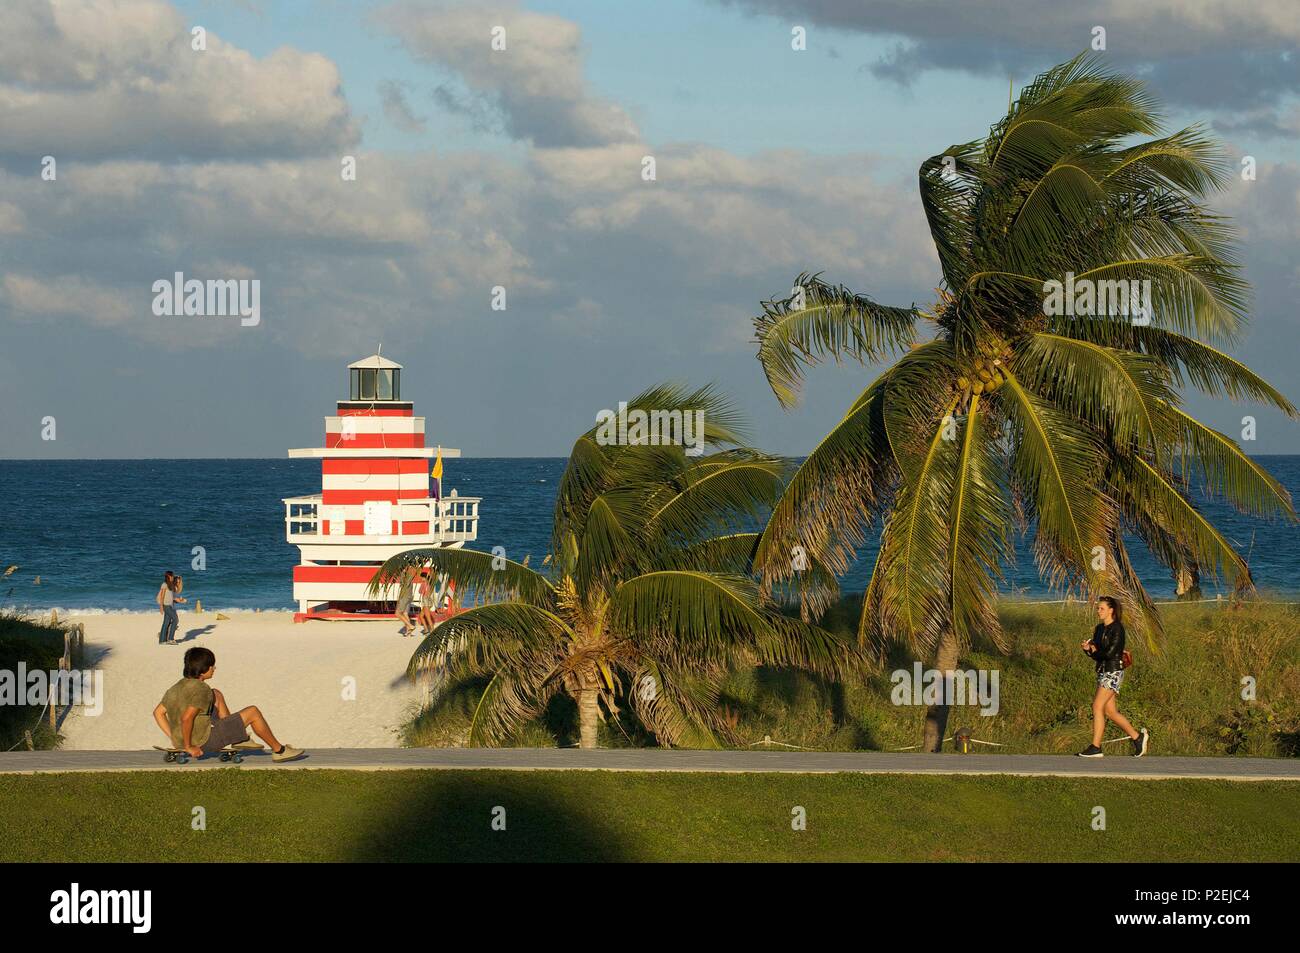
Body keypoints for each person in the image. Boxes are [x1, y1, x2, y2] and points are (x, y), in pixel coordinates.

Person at [152, 646, 304, 763]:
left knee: (216, 694)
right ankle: (279, 750)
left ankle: (239, 739)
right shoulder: (201, 689)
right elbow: (187, 718)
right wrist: (188, 746)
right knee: (253, 711)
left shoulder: (176, 687)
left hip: (187, 738)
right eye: (212, 666)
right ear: (204, 670)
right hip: (204, 741)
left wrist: (174, 737)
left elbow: (157, 713)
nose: (214, 669)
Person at [1077, 596, 1149, 758]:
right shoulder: (1099, 629)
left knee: (1097, 706)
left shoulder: (1117, 629)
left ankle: (1096, 747)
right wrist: (1088, 649)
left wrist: (1095, 650)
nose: (1098, 611)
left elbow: (1111, 653)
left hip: (1114, 671)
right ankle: (1138, 737)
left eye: (1101, 608)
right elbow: (1097, 655)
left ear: (1111, 610)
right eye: (1098, 608)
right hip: (1102, 670)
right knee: (1110, 712)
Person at [156, 571, 185, 645]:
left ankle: (162, 640)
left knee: (166, 622)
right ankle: (170, 639)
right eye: (172, 576)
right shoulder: (164, 584)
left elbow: (172, 598)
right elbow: (162, 597)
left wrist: (180, 600)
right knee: (175, 619)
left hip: (170, 606)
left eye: (173, 576)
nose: (172, 577)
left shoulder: (171, 586)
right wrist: (161, 607)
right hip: (166, 606)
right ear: (168, 577)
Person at [395, 566, 416, 637]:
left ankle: (410, 626)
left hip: (404, 596)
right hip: (409, 596)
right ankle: (408, 632)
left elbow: (404, 586)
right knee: (405, 613)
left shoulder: (404, 575)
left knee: (397, 613)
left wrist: (399, 598)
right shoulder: (410, 576)